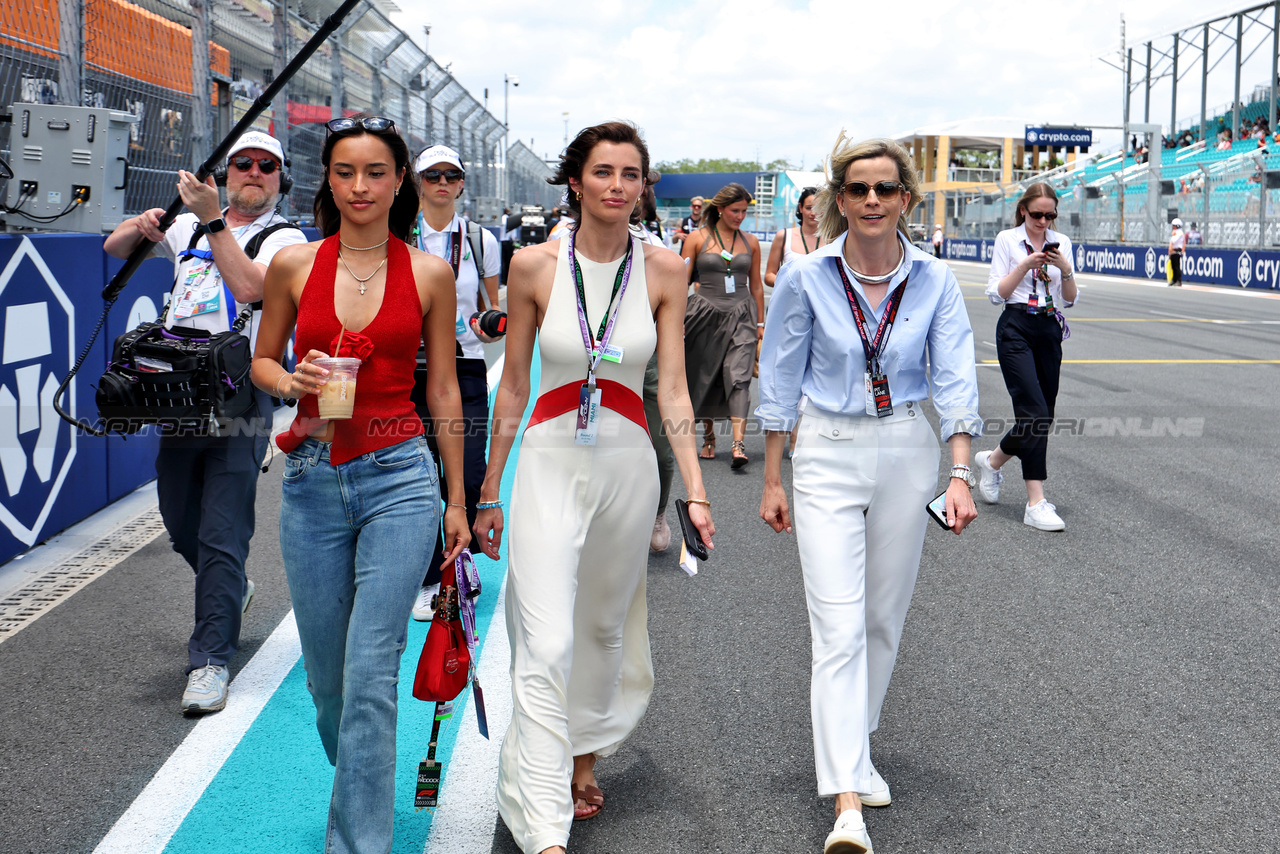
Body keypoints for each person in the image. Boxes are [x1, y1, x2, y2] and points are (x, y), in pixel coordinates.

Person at [472, 120, 715, 854]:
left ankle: (580, 760)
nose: (616, 186)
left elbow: (672, 390)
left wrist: (696, 492)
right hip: (547, 460)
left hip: (629, 466)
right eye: (602, 172)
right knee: (543, 640)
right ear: (574, 181)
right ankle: (544, 819)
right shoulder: (532, 267)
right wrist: (488, 489)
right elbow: (513, 383)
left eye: (630, 174)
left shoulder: (667, 269)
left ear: (644, 186)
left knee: (604, 629)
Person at [249, 115, 469, 854]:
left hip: (401, 475)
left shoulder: (429, 272)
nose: (360, 186)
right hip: (312, 477)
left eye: (376, 171)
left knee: (372, 668)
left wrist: (459, 504)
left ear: (399, 179)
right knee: (330, 685)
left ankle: (358, 843)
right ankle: (364, 782)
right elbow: (263, 362)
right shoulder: (295, 264)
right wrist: (292, 379)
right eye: (345, 172)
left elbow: (442, 390)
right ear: (329, 180)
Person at [757, 134, 980, 854]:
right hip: (826, 448)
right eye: (859, 190)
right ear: (839, 200)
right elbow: (780, 374)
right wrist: (770, 474)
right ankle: (846, 802)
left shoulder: (936, 281)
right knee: (839, 627)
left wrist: (959, 472)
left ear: (906, 200)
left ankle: (856, 746)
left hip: (907, 449)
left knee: (883, 621)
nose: (873, 201)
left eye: (886, 189)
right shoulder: (807, 275)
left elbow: (954, 380)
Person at [103, 129, 306, 714]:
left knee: (221, 531)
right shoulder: (189, 223)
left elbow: (251, 287)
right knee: (179, 519)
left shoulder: (285, 238)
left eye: (267, 166)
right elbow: (117, 248)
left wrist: (213, 220)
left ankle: (210, 659)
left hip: (240, 395)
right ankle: (232, 589)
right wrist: (144, 224)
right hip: (176, 393)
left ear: (280, 178)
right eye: (243, 162)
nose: (254, 172)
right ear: (226, 170)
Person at [407, 144, 502, 620]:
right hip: (410, 367)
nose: (442, 183)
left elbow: (493, 303)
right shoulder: (397, 233)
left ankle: (460, 562)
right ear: (416, 182)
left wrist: (491, 322)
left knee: (464, 469)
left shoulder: (481, 239)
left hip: (464, 364)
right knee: (420, 474)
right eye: (432, 175)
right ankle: (427, 578)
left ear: (462, 183)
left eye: (451, 175)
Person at [972, 182, 1077, 532]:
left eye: (1050, 215)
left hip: (1048, 328)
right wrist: (1026, 266)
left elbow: (1071, 298)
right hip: (1015, 326)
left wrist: (1065, 268)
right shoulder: (1007, 240)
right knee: (1033, 411)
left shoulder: (1063, 243)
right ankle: (1035, 501)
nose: (1043, 221)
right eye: (1037, 214)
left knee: (1042, 416)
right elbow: (996, 293)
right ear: (1023, 211)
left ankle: (993, 460)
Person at [680, 183, 765, 468]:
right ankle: (709, 436)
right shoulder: (696, 238)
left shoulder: (750, 242)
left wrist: (760, 323)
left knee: (738, 375)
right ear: (720, 208)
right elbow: (680, 281)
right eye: (734, 210)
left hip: (742, 314)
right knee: (705, 374)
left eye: (744, 211)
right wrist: (673, 319)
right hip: (704, 314)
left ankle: (738, 444)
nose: (740, 216)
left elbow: (756, 287)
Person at [765, 186, 824, 286]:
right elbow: (769, 275)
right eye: (809, 208)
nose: (813, 213)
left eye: (818, 208)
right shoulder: (784, 236)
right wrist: (792, 284)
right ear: (800, 207)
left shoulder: (832, 238)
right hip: (792, 299)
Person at [1167, 217, 1186, 287]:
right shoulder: (1175, 232)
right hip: (1173, 250)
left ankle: (1178, 280)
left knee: (1176, 266)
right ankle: (1174, 280)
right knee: (1173, 266)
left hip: (1177, 250)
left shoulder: (1179, 233)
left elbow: (1173, 240)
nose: (1173, 227)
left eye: (1174, 225)